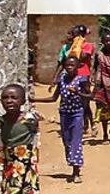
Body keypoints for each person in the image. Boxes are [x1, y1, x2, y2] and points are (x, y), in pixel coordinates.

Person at [33, 54, 90, 183]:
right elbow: (54, 98)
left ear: (77, 67)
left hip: (77, 113)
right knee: (67, 142)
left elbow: (89, 95)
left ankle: (76, 172)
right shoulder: (62, 80)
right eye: (67, 66)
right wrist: (35, 99)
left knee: (76, 141)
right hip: (64, 114)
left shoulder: (82, 80)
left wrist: (78, 93)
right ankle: (72, 163)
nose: (69, 68)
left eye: (72, 65)